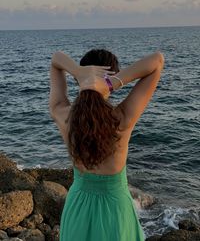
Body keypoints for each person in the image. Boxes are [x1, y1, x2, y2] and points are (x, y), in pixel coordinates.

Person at [49, 49, 165, 241]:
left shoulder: (64, 116)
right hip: (115, 208)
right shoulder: (122, 119)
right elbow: (157, 61)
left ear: (79, 80)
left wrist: (79, 73)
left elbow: (56, 59)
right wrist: (110, 83)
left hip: (78, 206)